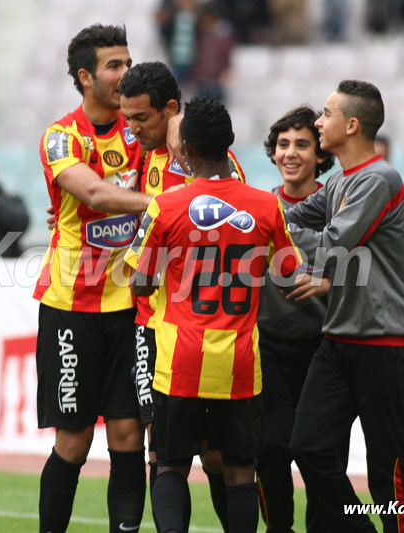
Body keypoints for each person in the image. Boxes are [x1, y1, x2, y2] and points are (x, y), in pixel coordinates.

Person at [126, 95, 303, 533]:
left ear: (184, 149)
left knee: (169, 464)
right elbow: (288, 276)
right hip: (240, 363)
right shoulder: (265, 205)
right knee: (241, 471)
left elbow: (140, 284)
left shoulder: (164, 206)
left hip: (178, 361)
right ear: (231, 143)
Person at [285, 80, 404, 532]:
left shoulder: (379, 180)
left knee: (389, 470)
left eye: (325, 114)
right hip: (339, 339)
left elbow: (330, 250)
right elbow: (287, 215)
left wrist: (268, 230)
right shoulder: (340, 182)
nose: (317, 122)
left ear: (351, 124)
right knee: (308, 447)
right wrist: (240, 209)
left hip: (384, 343)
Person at [34, 24, 155, 533]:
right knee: (74, 441)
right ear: (85, 77)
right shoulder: (63, 135)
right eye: (114, 65)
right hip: (72, 307)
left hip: (132, 307)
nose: (126, 73)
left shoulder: (144, 132)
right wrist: (169, 205)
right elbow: (98, 196)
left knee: (129, 436)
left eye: (128, 62)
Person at [118, 60, 246, 528]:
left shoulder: (205, 160)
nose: (131, 131)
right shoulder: (144, 153)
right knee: (163, 450)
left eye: (140, 119)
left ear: (171, 111)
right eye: (126, 119)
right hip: (152, 326)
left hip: (205, 328)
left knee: (215, 456)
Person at [256, 105, 338, 532]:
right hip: (267, 344)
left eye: (303, 144)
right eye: (283, 144)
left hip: (324, 348)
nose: (291, 153)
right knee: (270, 449)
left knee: (321, 456)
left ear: (321, 154)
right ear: (272, 152)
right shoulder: (257, 207)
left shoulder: (342, 211)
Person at [374, 134, 404, 265]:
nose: (379, 164)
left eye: (383, 158)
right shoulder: (354, 194)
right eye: (375, 158)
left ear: (389, 158)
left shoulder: (403, 194)